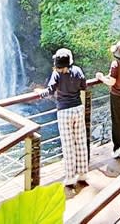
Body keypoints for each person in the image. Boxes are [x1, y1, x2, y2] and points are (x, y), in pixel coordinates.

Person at [36, 48, 88, 186]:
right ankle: (83, 174)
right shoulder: (77, 70)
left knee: (68, 145)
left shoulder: (56, 74)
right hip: (77, 108)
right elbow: (83, 86)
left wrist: (40, 93)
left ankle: (70, 177)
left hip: (64, 111)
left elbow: (50, 90)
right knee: (81, 141)